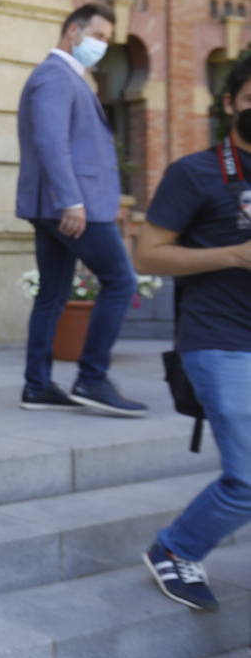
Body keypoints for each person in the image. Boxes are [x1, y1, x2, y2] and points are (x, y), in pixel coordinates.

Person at [132, 59, 251, 612]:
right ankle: (175, 548)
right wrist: (234, 255)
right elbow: (147, 254)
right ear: (230, 103)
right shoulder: (195, 172)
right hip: (219, 339)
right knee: (248, 478)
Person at [16, 2, 145, 415]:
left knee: (53, 294)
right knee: (121, 281)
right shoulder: (55, 76)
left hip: (58, 205)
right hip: (70, 206)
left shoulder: (68, 78)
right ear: (74, 31)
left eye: (107, 39)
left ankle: (37, 387)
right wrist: (71, 199)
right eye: (100, 36)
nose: (103, 46)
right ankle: (91, 378)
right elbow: (51, 143)